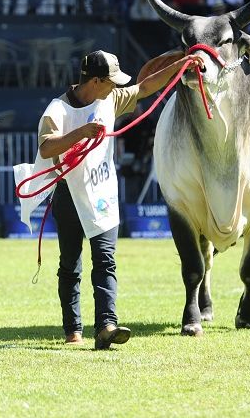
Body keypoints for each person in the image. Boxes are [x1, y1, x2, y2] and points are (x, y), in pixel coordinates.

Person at [35, 49, 205, 348]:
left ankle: (106, 327)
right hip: (69, 194)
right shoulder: (56, 110)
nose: (117, 86)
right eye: (112, 80)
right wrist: (82, 132)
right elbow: (47, 149)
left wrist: (183, 64)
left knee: (105, 260)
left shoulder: (110, 98)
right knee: (70, 264)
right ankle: (73, 330)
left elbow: (145, 87)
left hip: (101, 193)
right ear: (96, 80)